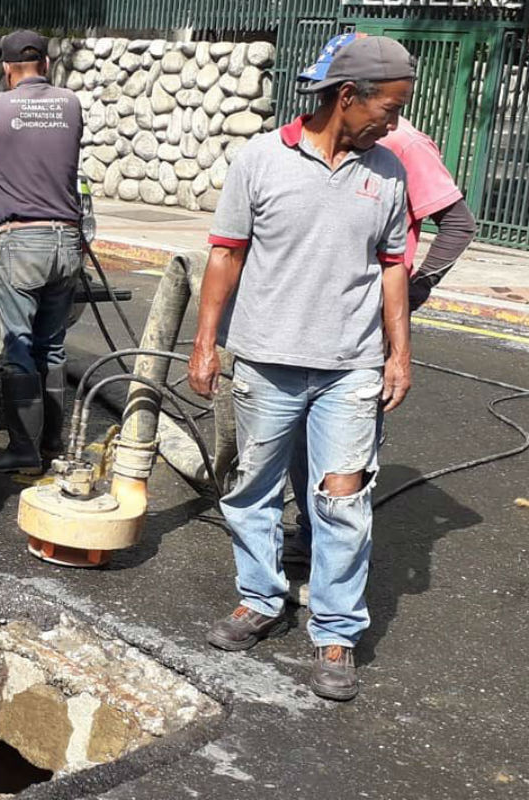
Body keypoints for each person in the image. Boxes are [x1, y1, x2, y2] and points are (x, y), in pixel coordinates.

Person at [187, 34, 417, 702]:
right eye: (389, 107)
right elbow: (225, 253)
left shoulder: (389, 172)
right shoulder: (260, 159)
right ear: (346, 96)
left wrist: (399, 353)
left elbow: (392, 267)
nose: (394, 122)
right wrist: (206, 342)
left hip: (350, 368)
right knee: (253, 488)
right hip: (265, 360)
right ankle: (260, 598)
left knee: (342, 500)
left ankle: (337, 630)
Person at [285, 43, 478, 573]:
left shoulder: (404, 146)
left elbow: (458, 226)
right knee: (301, 439)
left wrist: (415, 290)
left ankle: (332, 554)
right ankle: (307, 528)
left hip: (367, 325)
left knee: (345, 453)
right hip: (314, 321)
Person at [0, 29, 84, 475]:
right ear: (48, 64)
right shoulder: (71, 103)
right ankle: (52, 444)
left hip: (23, 240)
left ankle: (23, 450)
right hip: (67, 241)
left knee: (17, 346)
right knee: (52, 348)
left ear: (5, 68)